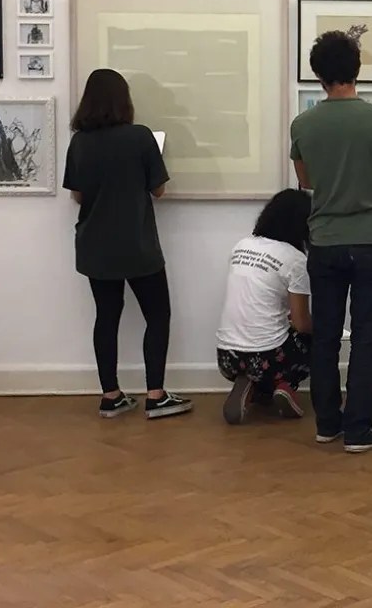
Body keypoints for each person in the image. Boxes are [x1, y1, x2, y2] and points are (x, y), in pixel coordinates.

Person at [290, 30, 372, 454]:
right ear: (357, 70)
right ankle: (359, 428)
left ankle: (327, 423)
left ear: (318, 74)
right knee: (366, 336)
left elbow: (306, 180)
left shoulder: (303, 124)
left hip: (324, 241)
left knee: (324, 336)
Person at [62, 68, 192, 420]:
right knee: (158, 315)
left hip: (94, 244)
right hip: (137, 244)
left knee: (106, 316)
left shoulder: (80, 142)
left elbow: (77, 195)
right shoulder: (140, 137)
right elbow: (158, 190)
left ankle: (111, 396)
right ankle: (156, 396)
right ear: (124, 100)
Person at [216, 189, 315, 426]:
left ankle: (251, 385)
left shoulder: (241, 246)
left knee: (272, 342)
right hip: (267, 359)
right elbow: (301, 323)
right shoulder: (296, 260)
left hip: (226, 357)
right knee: (315, 337)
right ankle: (283, 385)